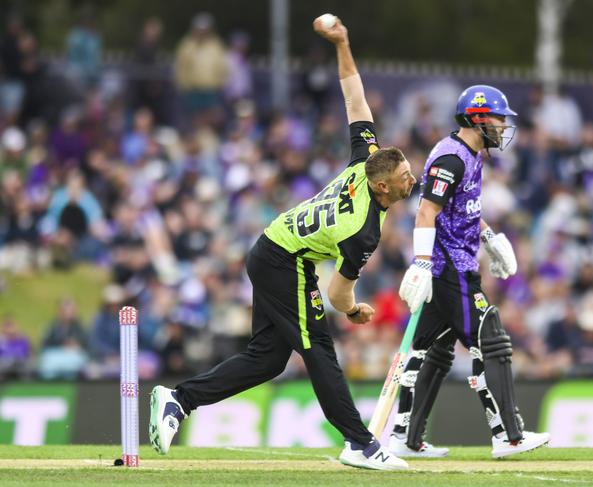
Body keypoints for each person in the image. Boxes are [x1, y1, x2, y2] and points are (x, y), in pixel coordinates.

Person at [149, 15, 414, 471]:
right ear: (384, 188)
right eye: (405, 177)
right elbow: (337, 293)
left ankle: (178, 399)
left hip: (276, 251)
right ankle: (359, 443)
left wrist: (343, 41)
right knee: (319, 346)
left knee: (268, 359)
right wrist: (353, 310)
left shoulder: (367, 160)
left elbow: (354, 95)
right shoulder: (363, 229)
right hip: (282, 259)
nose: (413, 177)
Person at [391, 85, 551, 458]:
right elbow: (426, 211)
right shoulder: (452, 159)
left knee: (433, 350)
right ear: (477, 118)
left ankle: (406, 437)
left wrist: (490, 237)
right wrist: (422, 262)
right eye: (498, 118)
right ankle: (508, 436)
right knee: (491, 339)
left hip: (456, 262)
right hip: (449, 268)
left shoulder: (471, 154)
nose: (503, 125)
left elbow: (463, 211)